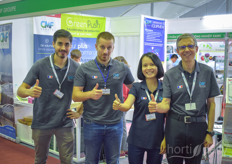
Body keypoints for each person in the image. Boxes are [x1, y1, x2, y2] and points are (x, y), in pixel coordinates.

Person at [153, 33, 220, 164]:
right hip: (175, 126)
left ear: (196, 48)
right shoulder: (170, 75)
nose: (187, 50)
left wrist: (209, 132)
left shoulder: (207, 72)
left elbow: (211, 104)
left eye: (190, 46)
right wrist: (158, 107)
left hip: (198, 126)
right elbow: (166, 104)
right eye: (182, 47)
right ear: (177, 51)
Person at [17, 29, 80, 164]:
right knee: (40, 159)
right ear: (53, 44)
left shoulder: (76, 67)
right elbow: (20, 91)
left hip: (65, 122)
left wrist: (80, 112)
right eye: (60, 44)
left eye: (67, 44)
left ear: (70, 46)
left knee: (67, 161)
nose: (63, 48)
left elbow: (86, 93)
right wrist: (30, 92)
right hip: (42, 122)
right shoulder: (40, 65)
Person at [72, 31, 134, 164]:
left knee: (113, 161)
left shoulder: (122, 68)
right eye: (102, 47)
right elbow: (75, 95)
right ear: (96, 46)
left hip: (115, 124)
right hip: (92, 123)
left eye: (109, 47)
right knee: (91, 160)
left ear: (113, 48)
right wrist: (90, 94)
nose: (105, 51)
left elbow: (134, 89)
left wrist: (127, 104)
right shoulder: (84, 69)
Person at [113, 53, 166, 164]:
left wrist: (166, 139)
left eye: (152, 64)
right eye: (145, 65)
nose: (148, 68)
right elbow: (127, 105)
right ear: (141, 69)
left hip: (157, 139)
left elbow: (170, 116)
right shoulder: (137, 87)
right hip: (136, 139)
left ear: (158, 66)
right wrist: (120, 106)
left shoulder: (165, 87)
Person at [113, 56, 130, 156]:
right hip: (122, 104)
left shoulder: (121, 79)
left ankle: (122, 149)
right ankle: (123, 148)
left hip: (121, 104)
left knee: (121, 126)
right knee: (121, 126)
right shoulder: (124, 78)